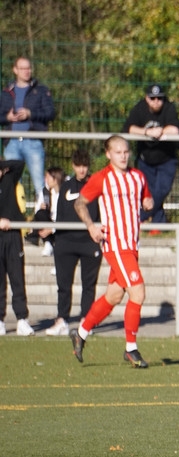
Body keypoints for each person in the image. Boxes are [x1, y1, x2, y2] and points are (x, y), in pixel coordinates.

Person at [68, 135, 153, 369]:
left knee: (114, 296)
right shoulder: (102, 178)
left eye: (126, 151)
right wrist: (91, 226)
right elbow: (79, 203)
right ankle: (131, 348)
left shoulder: (138, 176)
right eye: (118, 152)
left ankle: (81, 333)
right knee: (138, 292)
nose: (123, 156)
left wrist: (148, 202)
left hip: (132, 245)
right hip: (116, 245)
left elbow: (146, 198)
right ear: (108, 154)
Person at [36, 151, 101, 336]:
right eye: (78, 166)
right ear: (73, 166)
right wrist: (53, 231)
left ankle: (86, 322)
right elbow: (61, 215)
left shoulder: (95, 185)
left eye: (85, 166)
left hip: (89, 241)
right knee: (63, 285)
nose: (82, 170)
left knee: (89, 285)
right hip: (66, 242)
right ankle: (62, 320)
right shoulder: (66, 187)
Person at [0, 57, 55, 210]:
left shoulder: (41, 90)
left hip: (33, 141)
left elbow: (50, 113)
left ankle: (43, 217)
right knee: (12, 183)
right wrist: (7, 118)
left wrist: (30, 114)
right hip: (11, 142)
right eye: (23, 68)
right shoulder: (6, 92)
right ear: (15, 70)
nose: (26, 71)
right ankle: (14, 215)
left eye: (28, 68)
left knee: (39, 184)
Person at [124, 84, 179, 228]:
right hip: (145, 160)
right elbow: (129, 128)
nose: (156, 101)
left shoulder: (169, 107)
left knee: (161, 190)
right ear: (147, 98)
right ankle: (158, 225)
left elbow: (175, 129)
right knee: (148, 192)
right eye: (152, 98)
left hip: (166, 160)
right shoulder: (139, 108)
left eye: (159, 98)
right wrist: (147, 132)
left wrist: (161, 131)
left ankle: (139, 217)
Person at [0, 158, 33, 336]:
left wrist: (3, 167)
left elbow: (19, 164)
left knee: (17, 278)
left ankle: (22, 319)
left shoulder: (9, 178)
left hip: (13, 236)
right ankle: (0, 320)